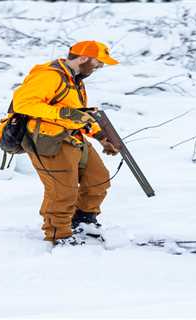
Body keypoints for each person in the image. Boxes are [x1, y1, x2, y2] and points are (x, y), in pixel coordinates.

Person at [12, 40, 120, 246]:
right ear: (83, 58)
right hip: (48, 139)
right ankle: (58, 233)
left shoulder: (75, 79)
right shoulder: (49, 75)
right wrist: (63, 113)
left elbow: (79, 115)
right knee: (62, 190)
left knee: (98, 179)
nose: (100, 67)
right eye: (98, 62)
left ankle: (84, 221)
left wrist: (101, 137)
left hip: (73, 137)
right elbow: (23, 103)